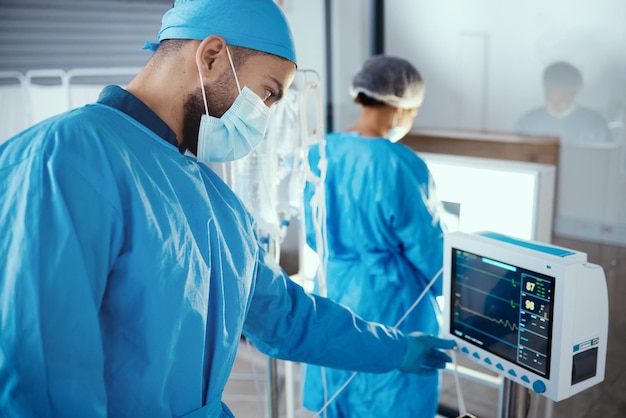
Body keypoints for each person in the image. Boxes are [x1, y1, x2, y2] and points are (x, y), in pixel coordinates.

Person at [0, 1, 456, 417]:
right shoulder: (66, 158)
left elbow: (286, 317)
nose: (267, 115)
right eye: (269, 94)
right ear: (212, 56)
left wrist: (396, 350)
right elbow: (40, 375)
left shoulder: (216, 202)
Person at [302, 55, 447, 417]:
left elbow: (312, 232)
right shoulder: (400, 164)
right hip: (393, 301)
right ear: (401, 107)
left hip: (333, 289)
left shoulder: (321, 152)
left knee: (340, 385)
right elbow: (433, 254)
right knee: (389, 391)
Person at [515, 61, 613, 144]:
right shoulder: (527, 123)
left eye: (565, 90)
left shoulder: (594, 124)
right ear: (546, 87)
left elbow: (606, 161)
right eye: (554, 89)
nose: (558, 95)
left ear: (575, 90)